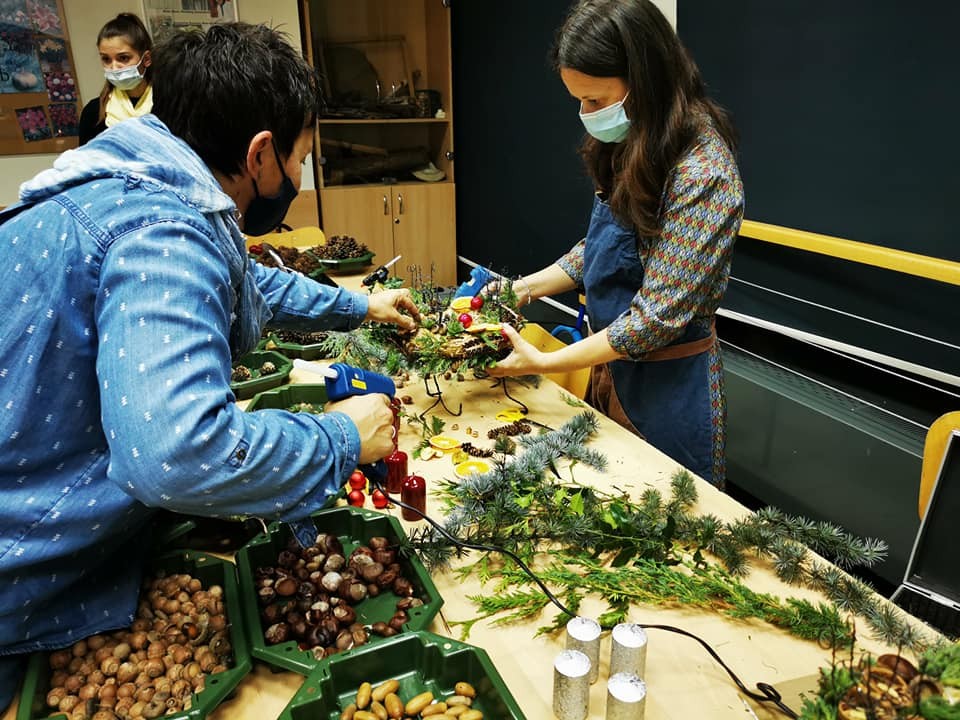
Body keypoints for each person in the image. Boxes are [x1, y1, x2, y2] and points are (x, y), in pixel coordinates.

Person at [0, 23, 419, 709]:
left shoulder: (139, 179)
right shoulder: (161, 230)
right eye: (300, 159)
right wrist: (343, 436)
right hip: (20, 581)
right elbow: (177, 453)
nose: (297, 177)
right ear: (260, 154)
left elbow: (242, 284)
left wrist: (359, 306)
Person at [488, 0, 744, 488]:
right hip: (610, 370)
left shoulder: (703, 172)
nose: (586, 114)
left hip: (668, 389)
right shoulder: (634, 138)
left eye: (595, 100)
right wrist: (523, 289)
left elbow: (654, 319)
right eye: (579, 100)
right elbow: (602, 248)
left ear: (645, 80)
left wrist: (544, 362)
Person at [78, 13, 154, 145]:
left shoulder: (170, 106)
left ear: (146, 59)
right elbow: (86, 163)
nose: (114, 67)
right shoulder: (94, 112)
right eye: (106, 59)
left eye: (123, 58)